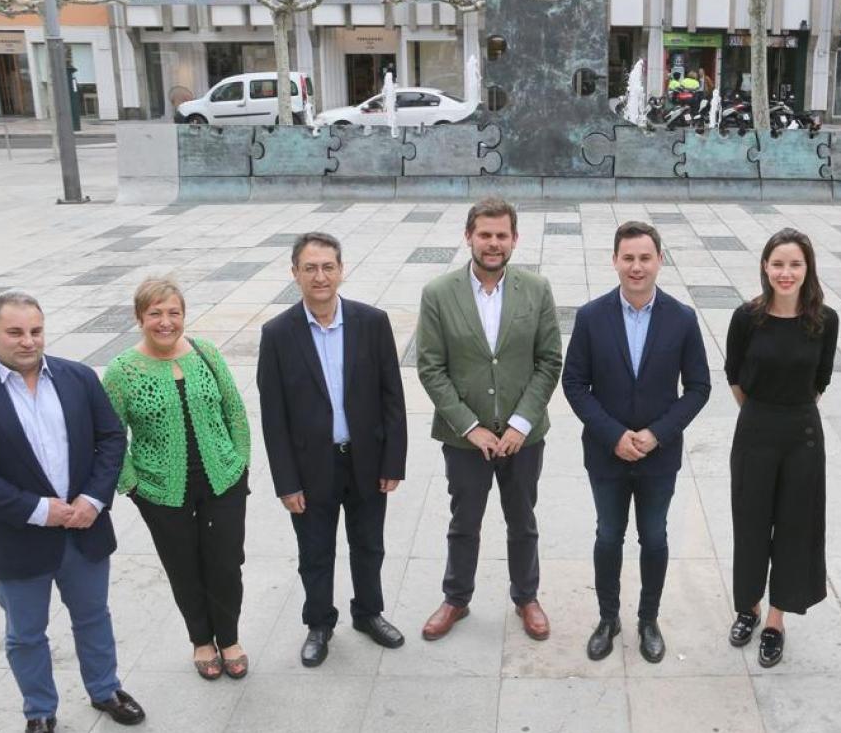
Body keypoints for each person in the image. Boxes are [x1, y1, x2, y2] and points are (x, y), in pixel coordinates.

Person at [0, 292, 145, 733]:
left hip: (84, 529)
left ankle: (105, 690)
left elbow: (112, 438)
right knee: (25, 635)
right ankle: (40, 714)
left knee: (93, 616)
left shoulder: (77, 378)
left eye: (35, 330)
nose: (28, 341)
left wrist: (94, 499)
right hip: (18, 540)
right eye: (15, 332)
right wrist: (40, 510)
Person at [562, 221, 711, 664]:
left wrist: (656, 434)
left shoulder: (682, 319)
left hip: (658, 457)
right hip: (606, 455)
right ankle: (608, 619)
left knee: (654, 538)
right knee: (608, 537)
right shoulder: (591, 317)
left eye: (645, 258)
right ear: (614, 261)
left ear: (659, 261)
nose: (636, 266)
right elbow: (574, 384)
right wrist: (613, 435)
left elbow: (699, 387)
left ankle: (649, 619)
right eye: (628, 258)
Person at [257, 232, 408, 667]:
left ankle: (368, 613)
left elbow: (391, 397)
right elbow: (274, 418)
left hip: (366, 462)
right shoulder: (278, 334)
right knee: (316, 552)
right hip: (311, 468)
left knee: (369, 545)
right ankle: (319, 623)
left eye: (327, 267)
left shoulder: (372, 322)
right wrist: (286, 481)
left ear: (341, 270)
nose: (319, 276)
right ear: (295, 274)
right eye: (310, 268)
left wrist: (392, 461)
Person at [417, 197, 563, 642]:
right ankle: (456, 599)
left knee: (523, 520)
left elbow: (549, 360)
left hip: (523, 437)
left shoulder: (536, 289)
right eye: (485, 234)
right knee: (464, 522)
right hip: (466, 440)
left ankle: (526, 597)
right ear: (469, 237)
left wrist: (520, 423)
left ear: (514, 240)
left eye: (502, 235)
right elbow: (430, 367)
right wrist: (469, 425)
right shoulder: (438, 293)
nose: (493, 243)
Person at [102, 278, 252, 680]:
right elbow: (110, 436)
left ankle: (230, 637)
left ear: (183, 315)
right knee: (183, 565)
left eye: (173, 313)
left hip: (222, 479)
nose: (165, 322)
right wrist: (132, 485)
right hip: (161, 489)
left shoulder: (206, 353)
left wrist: (241, 463)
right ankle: (202, 641)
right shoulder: (121, 371)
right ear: (140, 318)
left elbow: (234, 411)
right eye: (155, 313)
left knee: (225, 563)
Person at [724, 229, 839, 667]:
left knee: (794, 528)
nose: (785, 273)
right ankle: (749, 607)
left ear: (807, 269)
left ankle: (775, 620)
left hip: (802, 435)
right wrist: (759, 413)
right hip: (755, 428)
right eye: (778, 264)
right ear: (765, 267)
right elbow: (734, 373)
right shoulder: (746, 317)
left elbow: (821, 379)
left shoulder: (824, 320)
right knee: (751, 524)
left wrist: (791, 414)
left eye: (795, 264)